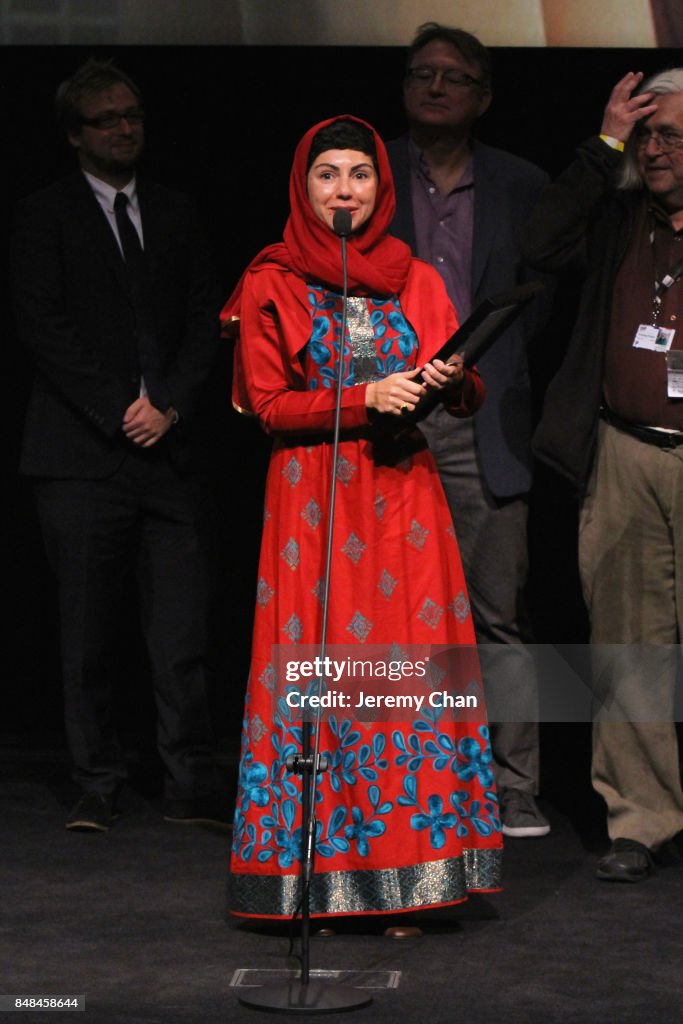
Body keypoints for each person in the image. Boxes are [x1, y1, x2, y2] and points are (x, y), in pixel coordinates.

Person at [222, 115, 502, 927]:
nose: (343, 191)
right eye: (327, 176)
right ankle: (316, 877)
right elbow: (269, 405)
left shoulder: (413, 276)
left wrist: (450, 378)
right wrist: (362, 396)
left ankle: (410, 872)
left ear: (382, 188)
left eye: (359, 176)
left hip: (404, 501)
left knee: (406, 682)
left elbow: (464, 388)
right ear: (302, 188)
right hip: (314, 502)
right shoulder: (272, 278)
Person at [11, 59, 224, 832]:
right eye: (106, 119)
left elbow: (207, 318)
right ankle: (97, 776)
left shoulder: (175, 211)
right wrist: (119, 409)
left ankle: (189, 779)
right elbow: (43, 327)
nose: (124, 128)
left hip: (167, 453)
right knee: (87, 632)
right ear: (76, 135)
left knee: (181, 635)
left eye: (131, 114)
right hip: (80, 456)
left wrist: (167, 404)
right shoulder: (43, 216)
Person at [386, 23, 552, 838]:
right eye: (422, 73)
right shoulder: (367, 174)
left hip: (487, 424)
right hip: (394, 427)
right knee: (395, 618)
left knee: (499, 615)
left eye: (454, 77)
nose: (436, 86)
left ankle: (515, 784)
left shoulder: (521, 184)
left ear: (483, 97)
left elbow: (540, 301)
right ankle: (407, 774)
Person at [526, 69, 683, 881]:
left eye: (669, 136)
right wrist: (605, 143)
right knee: (629, 646)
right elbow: (538, 241)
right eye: (646, 136)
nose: (653, 150)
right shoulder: (621, 219)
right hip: (624, 451)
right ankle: (640, 820)